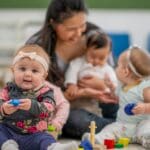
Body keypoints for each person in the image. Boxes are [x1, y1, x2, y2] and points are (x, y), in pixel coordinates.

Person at [26, 0, 119, 138]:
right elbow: (33, 95)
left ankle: (121, 124)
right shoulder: (38, 46)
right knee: (76, 121)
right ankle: (121, 128)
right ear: (53, 23)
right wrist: (80, 93)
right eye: (70, 29)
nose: (78, 33)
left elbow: (112, 73)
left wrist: (103, 85)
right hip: (64, 105)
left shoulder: (96, 36)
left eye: (82, 25)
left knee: (121, 104)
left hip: (99, 97)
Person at [0, 44, 79, 150]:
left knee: (45, 138)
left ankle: (54, 147)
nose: (27, 74)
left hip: (34, 135)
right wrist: (4, 108)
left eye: (34, 71)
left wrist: (32, 106)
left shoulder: (46, 92)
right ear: (13, 70)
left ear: (44, 76)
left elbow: (48, 109)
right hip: (9, 131)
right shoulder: (8, 89)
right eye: (22, 69)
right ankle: (8, 146)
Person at [82, 46, 150, 149]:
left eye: (118, 65)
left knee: (147, 128)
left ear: (125, 71)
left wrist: (145, 108)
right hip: (124, 125)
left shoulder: (144, 87)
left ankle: (147, 139)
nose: (115, 68)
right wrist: (110, 87)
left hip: (142, 123)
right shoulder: (122, 86)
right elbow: (118, 97)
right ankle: (95, 139)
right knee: (109, 129)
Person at [64, 30, 118, 116]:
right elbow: (72, 71)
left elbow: (114, 86)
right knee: (76, 114)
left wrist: (104, 86)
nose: (96, 61)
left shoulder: (107, 69)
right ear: (86, 49)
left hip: (96, 102)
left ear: (108, 55)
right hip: (77, 99)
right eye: (92, 56)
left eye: (101, 58)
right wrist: (72, 84)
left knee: (96, 113)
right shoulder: (79, 62)